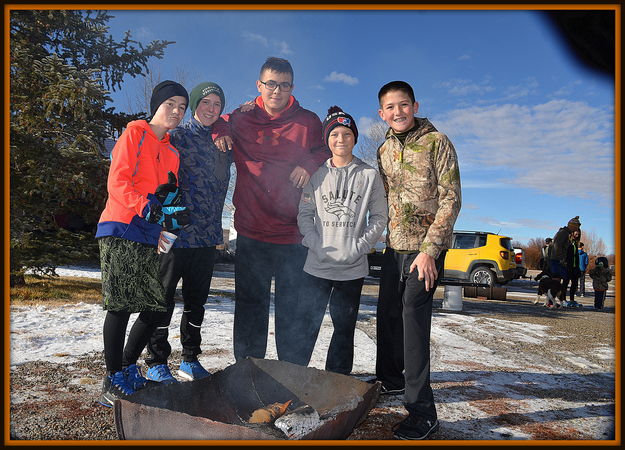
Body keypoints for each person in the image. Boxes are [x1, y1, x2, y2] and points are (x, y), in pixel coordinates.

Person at [214, 57, 330, 362]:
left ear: (292, 87)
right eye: (270, 84)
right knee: (251, 305)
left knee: (294, 308)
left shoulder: (307, 121)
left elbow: (324, 148)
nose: (276, 91)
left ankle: (290, 373)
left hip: (294, 234)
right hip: (252, 232)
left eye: (284, 85)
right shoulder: (242, 118)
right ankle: (249, 370)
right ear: (259, 86)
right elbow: (218, 120)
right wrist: (221, 132)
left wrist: (307, 163)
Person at [373, 81, 461, 440]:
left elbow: (451, 199)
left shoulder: (437, 142)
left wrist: (430, 251)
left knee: (412, 325)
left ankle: (423, 412)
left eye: (403, 105)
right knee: (387, 317)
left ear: (415, 105)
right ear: (382, 113)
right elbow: (385, 198)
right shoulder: (383, 150)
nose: (398, 112)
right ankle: (391, 381)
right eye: (390, 107)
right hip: (394, 249)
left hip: (425, 251)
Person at [94, 81, 190, 406]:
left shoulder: (173, 152)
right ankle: (111, 380)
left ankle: (127, 367)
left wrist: (173, 228)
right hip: (121, 227)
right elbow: (117, 180)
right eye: (171, 104)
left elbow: (172, 194)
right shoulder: (135, 133)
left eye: (182, 107)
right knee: (121, 305)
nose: (176, 111)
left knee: (153, 307)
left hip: (150, 236)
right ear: (157, 105)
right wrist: (144, 205)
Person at [142, 82, 232, 384]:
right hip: (174, 234)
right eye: (205, 102)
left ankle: (190, 359)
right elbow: (156, 179)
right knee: (162, 299)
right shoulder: (175, 137)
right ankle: (156, 361)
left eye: (216, 104)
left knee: (197, 302)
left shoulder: (224, 144)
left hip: (207, 238)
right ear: (195, 106)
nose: (210, 108)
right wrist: (164, 221)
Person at [294, 106, 387, 374]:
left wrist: (359, 248)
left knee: (344, 328)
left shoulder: (369, 175)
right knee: (306, 324)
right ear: (327, 140)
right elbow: (304, 214)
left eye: (347, 134)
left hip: (351, 268)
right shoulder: (316, 175)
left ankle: (337, 382)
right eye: (334, 134)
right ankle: (293, 377)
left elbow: (380, 217)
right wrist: (314, 243)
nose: (341, 139)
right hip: (317, 265)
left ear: (354, 138)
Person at [548, 216, 581, 307]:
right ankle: (551, 301)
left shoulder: (565, 232)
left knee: (559, 280)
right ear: (572, 226)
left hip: (557, 260)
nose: (577, 229)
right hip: (557, 260)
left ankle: (554, 301)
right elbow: (557, 246)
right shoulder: (564, 233)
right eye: (576, 226)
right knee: (558, 280)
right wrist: (562, 259)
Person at [561, 229, 581, 307]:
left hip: (575, 267)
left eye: (578, 234)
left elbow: (576, 256)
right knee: (565, 283)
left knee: (574, 284)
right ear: (572, 233)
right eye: (576, 234)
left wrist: (577, 266)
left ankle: (572, 300)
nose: (577, 235)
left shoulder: (575, 243)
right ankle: (563, 299)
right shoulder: (567, 242)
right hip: (567, 266)